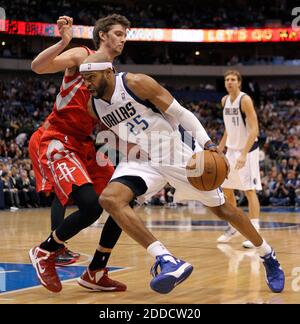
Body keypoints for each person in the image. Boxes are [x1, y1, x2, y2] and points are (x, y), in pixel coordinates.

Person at [79, 52, 285, 294]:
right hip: (144, 160)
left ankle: (268, 255)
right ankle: (166, 260)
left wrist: (208, 145)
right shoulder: (93, 105)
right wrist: (126, 148)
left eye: (90, 77)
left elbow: (181, 114)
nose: (86, 83)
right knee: (110, 199)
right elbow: (112, 131)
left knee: (223, 209)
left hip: (179, 154)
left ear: (107, 72)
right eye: (84, 78)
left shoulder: (136, 83)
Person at [29, 14, 130, 293]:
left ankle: (96, 271)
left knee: (122, 200)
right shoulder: (82, 54)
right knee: (90, 205)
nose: (123, 39)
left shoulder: (113, 78)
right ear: (103, 35)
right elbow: (38, 67)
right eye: (119, 33)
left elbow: (112, 122)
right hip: (58, 139)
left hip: (87, 144)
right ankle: (45, 252)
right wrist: (63, 42)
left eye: (125, 35)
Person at [217, 70, 262, 249]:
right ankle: (233, 227)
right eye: (227, 79)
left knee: (249, 190)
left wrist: (244, 153)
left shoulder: (245, 100)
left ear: (239, 83)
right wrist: (221, 147)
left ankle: (255, 231)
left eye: (233, 80)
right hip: (232, 150)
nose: (229, 82)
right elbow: (229, 127)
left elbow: (254, 129)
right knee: (226, 189)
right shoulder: (224, 101)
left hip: (248, 150)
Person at [28, 122, 80, 266]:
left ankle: (57, 245)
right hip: (45, 141)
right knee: (60, 193)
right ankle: (55, 247)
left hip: (55, 142)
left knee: (65, 193)